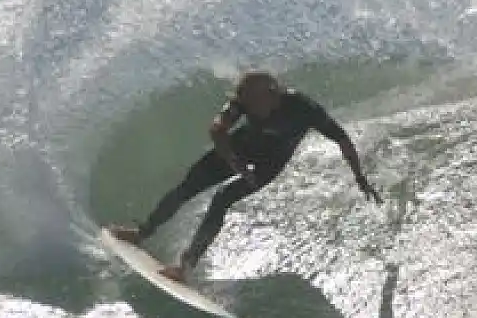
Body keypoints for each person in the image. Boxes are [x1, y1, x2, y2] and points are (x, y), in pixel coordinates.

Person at [108, 70, 382, 282]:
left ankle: (185, 266)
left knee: (222, 199)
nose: (247, 107)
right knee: (187, 187)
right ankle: (142, 233)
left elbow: (343, 139)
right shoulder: (245, 101)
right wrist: (237, 164)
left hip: (268, 165)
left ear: (272, 95)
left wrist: (359, 178)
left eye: (252, 102)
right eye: (244, 102)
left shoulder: (304, 109)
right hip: (237, 151)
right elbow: (218, 129)